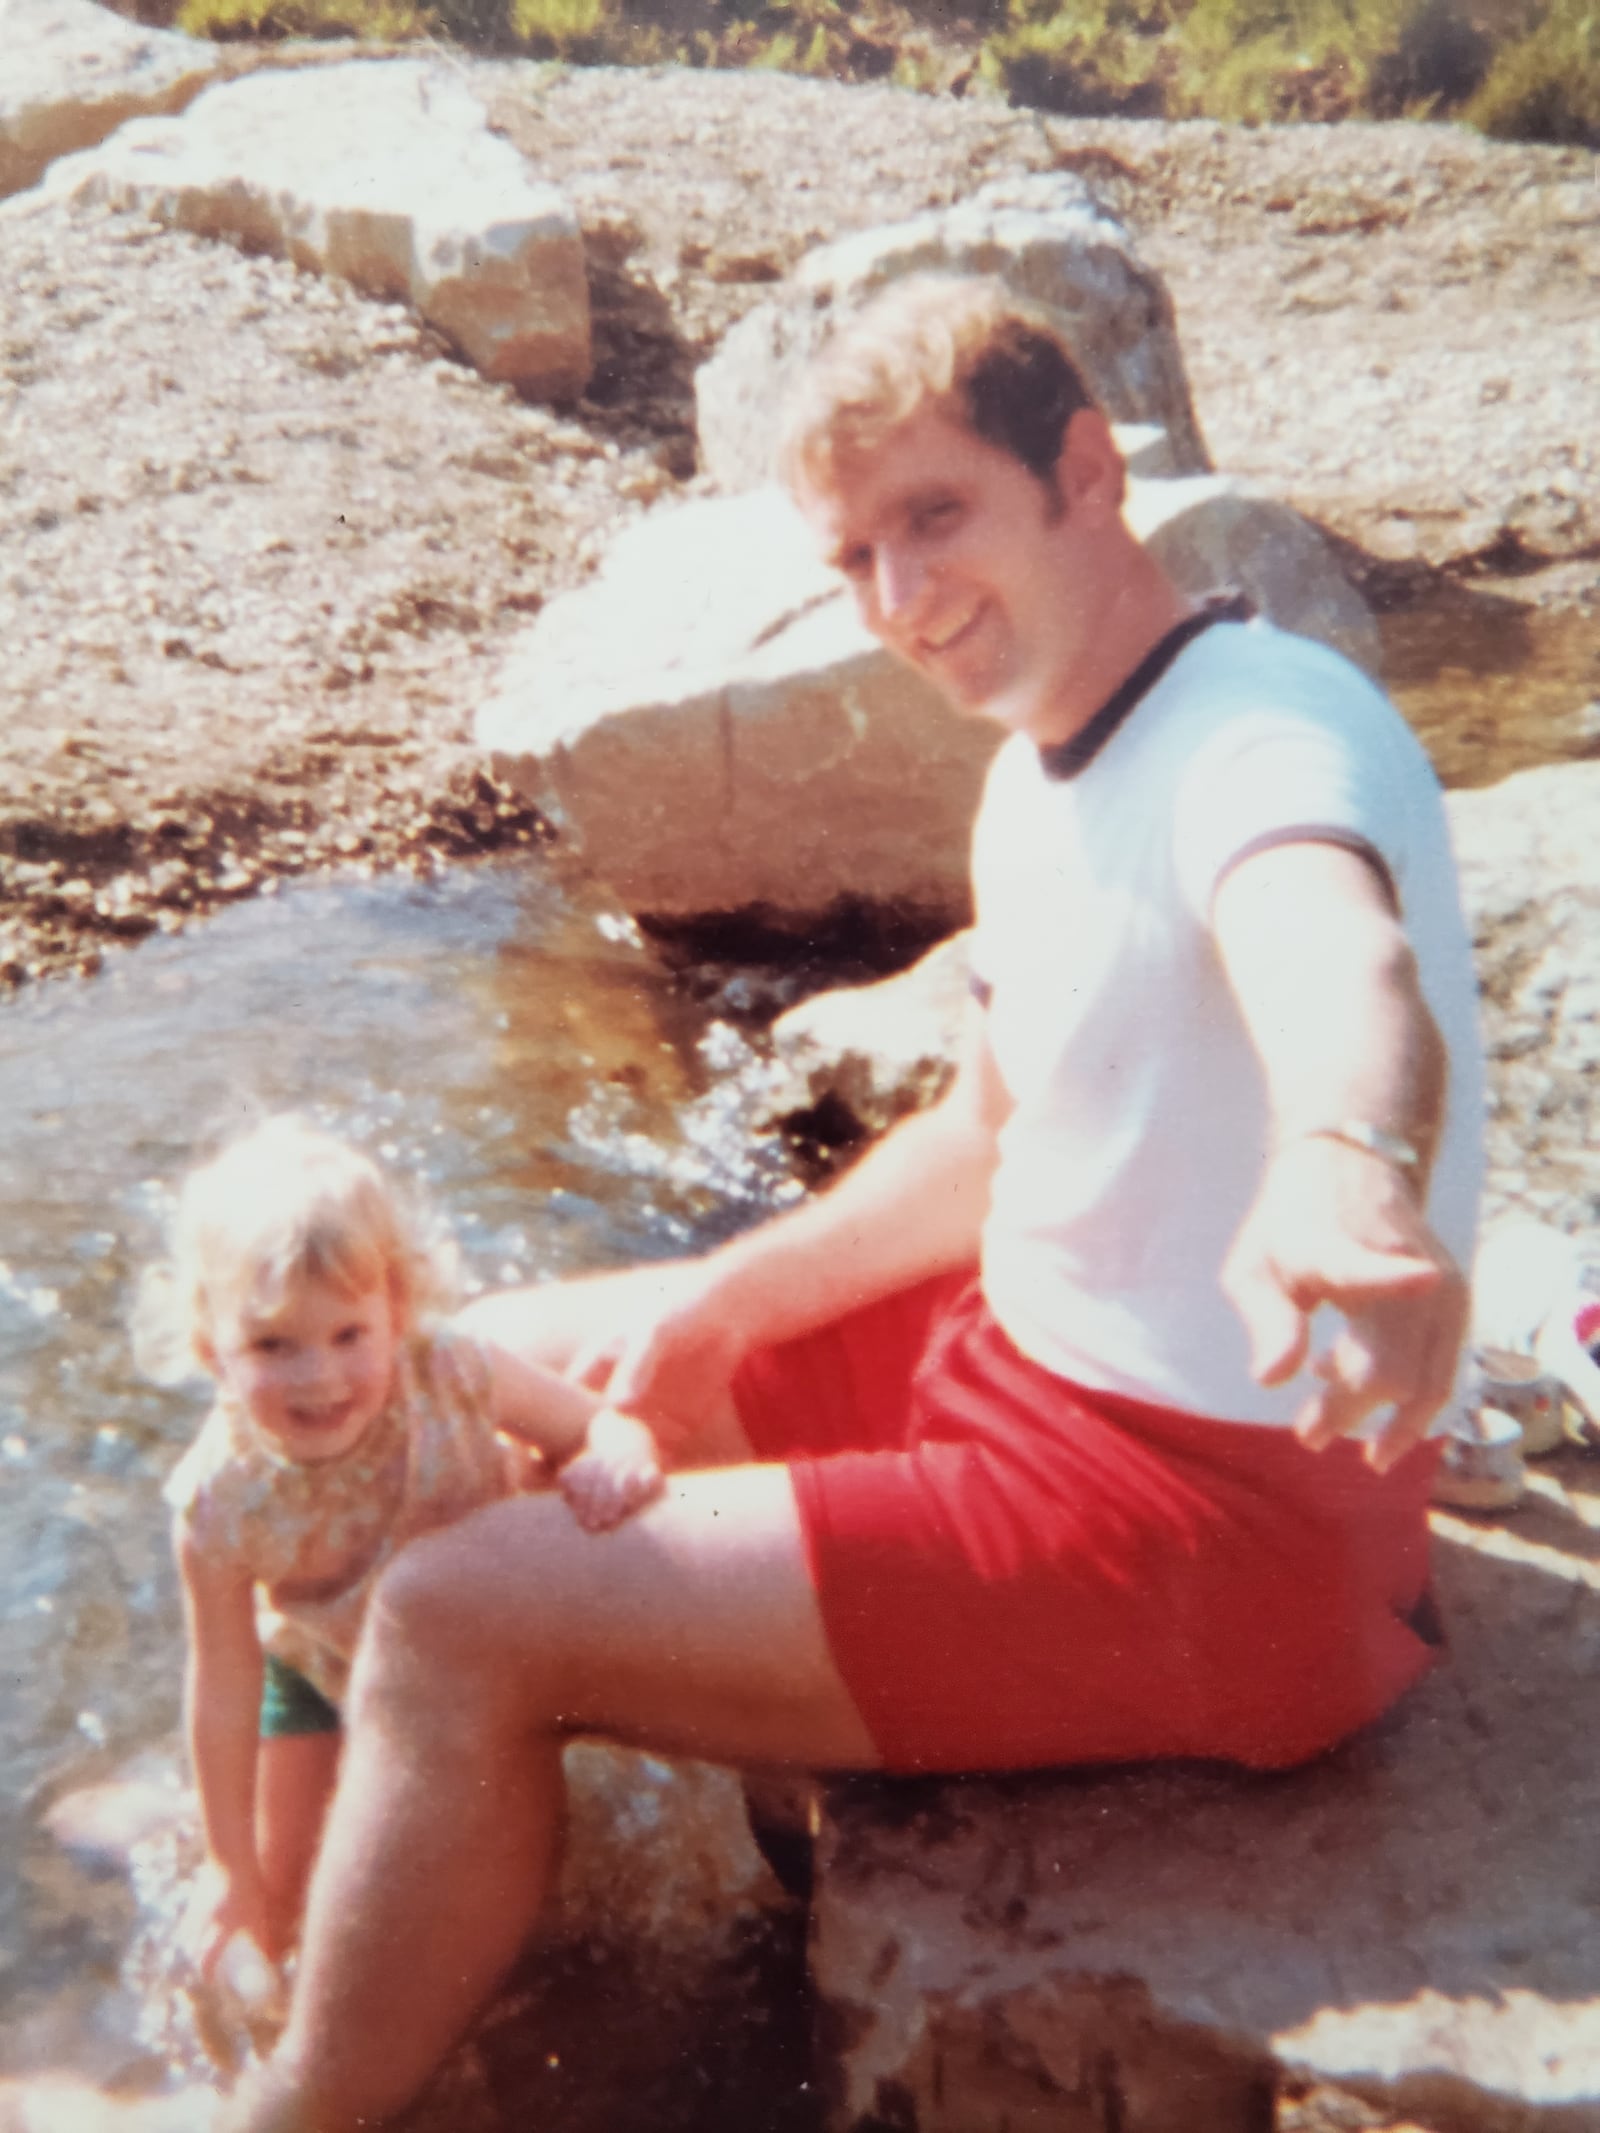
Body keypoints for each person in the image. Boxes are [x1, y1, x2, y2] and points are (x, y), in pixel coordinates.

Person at [207, 272, 1480, 2133]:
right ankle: (548, 1861)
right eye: (857, 555)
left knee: (464, 1611)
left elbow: (1334, 951)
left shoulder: (1262, 731)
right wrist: (729, 1300)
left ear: (1087, 468)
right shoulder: (1047, 768)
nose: (899, 598)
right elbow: (985, 1137)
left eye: (938, 516)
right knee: (468, 1371)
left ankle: (301, 2102)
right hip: (1028, 1370)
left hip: (1212, 1525)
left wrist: (1351, 1174)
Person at [138, 1116, 665, 1981]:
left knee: (534, 1894)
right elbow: (224, 1683)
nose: (320, 1377)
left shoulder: (452, 1369)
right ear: (211, 1349)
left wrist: (619, 1451)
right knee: (289, 1896)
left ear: (398, 1307)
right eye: (274, 1345)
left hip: (474, 1655)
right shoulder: (217, 1503)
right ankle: (180, 1839)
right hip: (317, 1671)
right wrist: (231, 1870)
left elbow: (594, 1423)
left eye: (349, 1333)